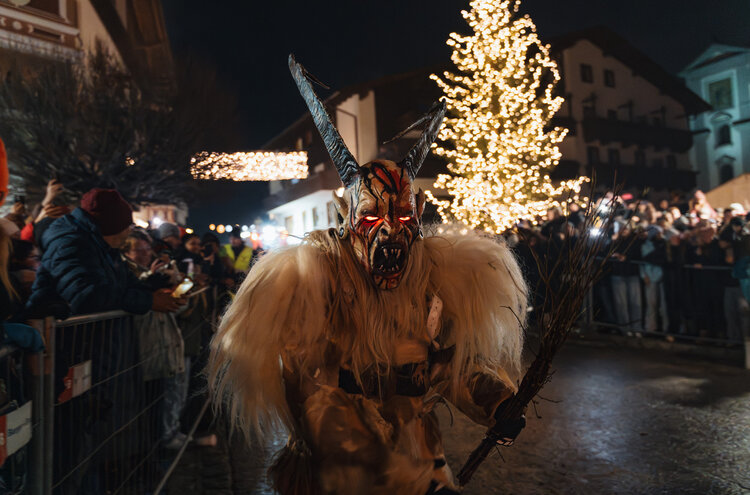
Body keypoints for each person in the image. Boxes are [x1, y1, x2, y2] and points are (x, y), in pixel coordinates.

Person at [209, 61, 526, 495]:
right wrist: (386, 467)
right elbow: (311, 392)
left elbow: (448, 365)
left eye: (403, 215)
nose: (391, 230)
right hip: (344, 475)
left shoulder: (430, 279)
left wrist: (497, 403)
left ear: (418, 211)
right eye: (372, 215)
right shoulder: (313, 283)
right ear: (346, 215)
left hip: (417, 461)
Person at [27, 188, 184, 317]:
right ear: (112, 228)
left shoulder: (104, 248)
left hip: (95, 340)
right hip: (71, 341)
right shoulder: (69, 245)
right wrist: (148, 301)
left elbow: (127, 285)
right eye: (127, 226)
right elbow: (86, 295)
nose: (130, 232)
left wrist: (156, 288)